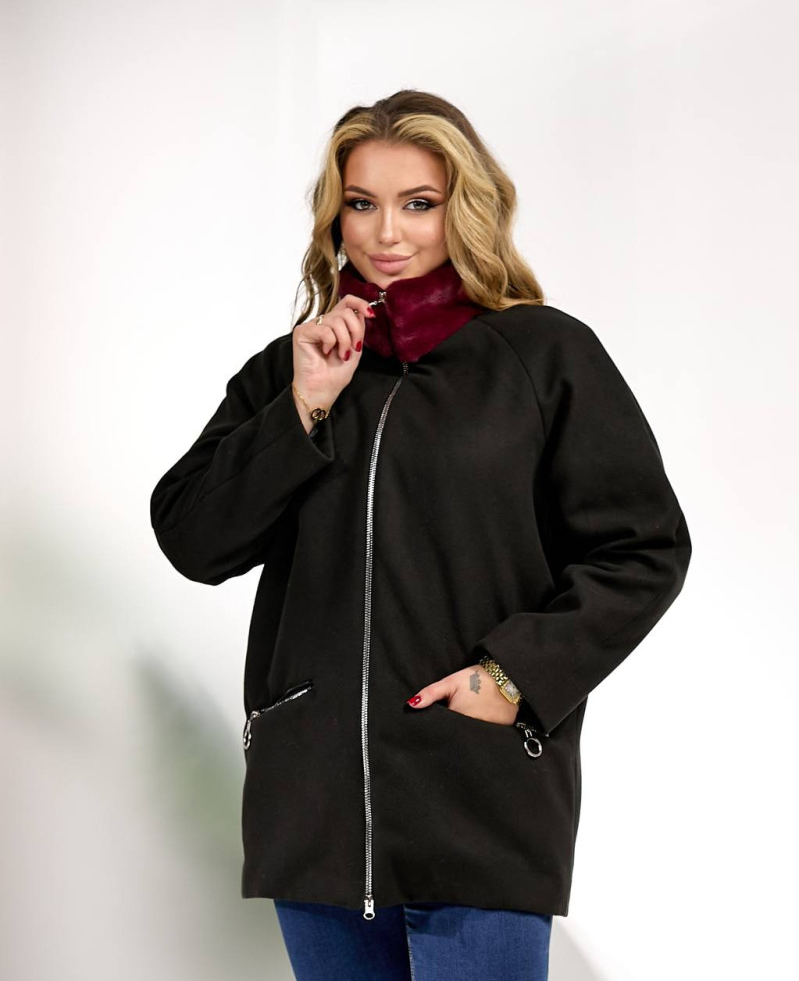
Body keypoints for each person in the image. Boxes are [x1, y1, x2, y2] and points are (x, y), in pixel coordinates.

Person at [149, 89, 692, 980]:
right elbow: (193, 539)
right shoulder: (293, 369)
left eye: (418, 203)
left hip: (479, 796)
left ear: (463, 207)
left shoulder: (542, 356)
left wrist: (514, 676)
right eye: (361, 203)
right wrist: (303, 407)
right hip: (315, 810)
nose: (386, 233)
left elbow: (643, 548)